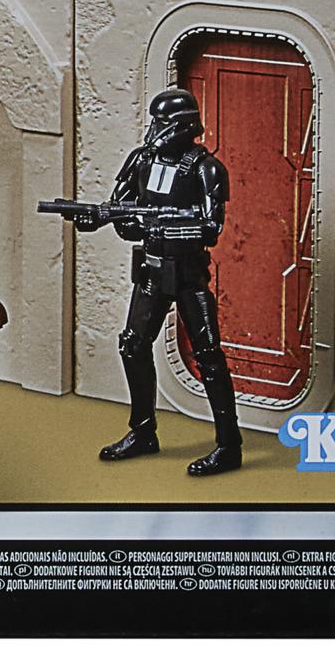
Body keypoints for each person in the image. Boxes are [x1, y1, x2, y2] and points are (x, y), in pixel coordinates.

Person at [71, 87, 242, 477]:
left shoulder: (206, 168)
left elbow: (210, 228)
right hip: (151, 270)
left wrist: (162, 226)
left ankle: (229, 445)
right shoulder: (141, 161)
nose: (154, 130)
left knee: (209, 355)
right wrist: (108, 220)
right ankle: (143, 432)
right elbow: (120, 210)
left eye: (162, 123)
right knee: (133, 345)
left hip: (189, 275)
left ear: (181, 126)